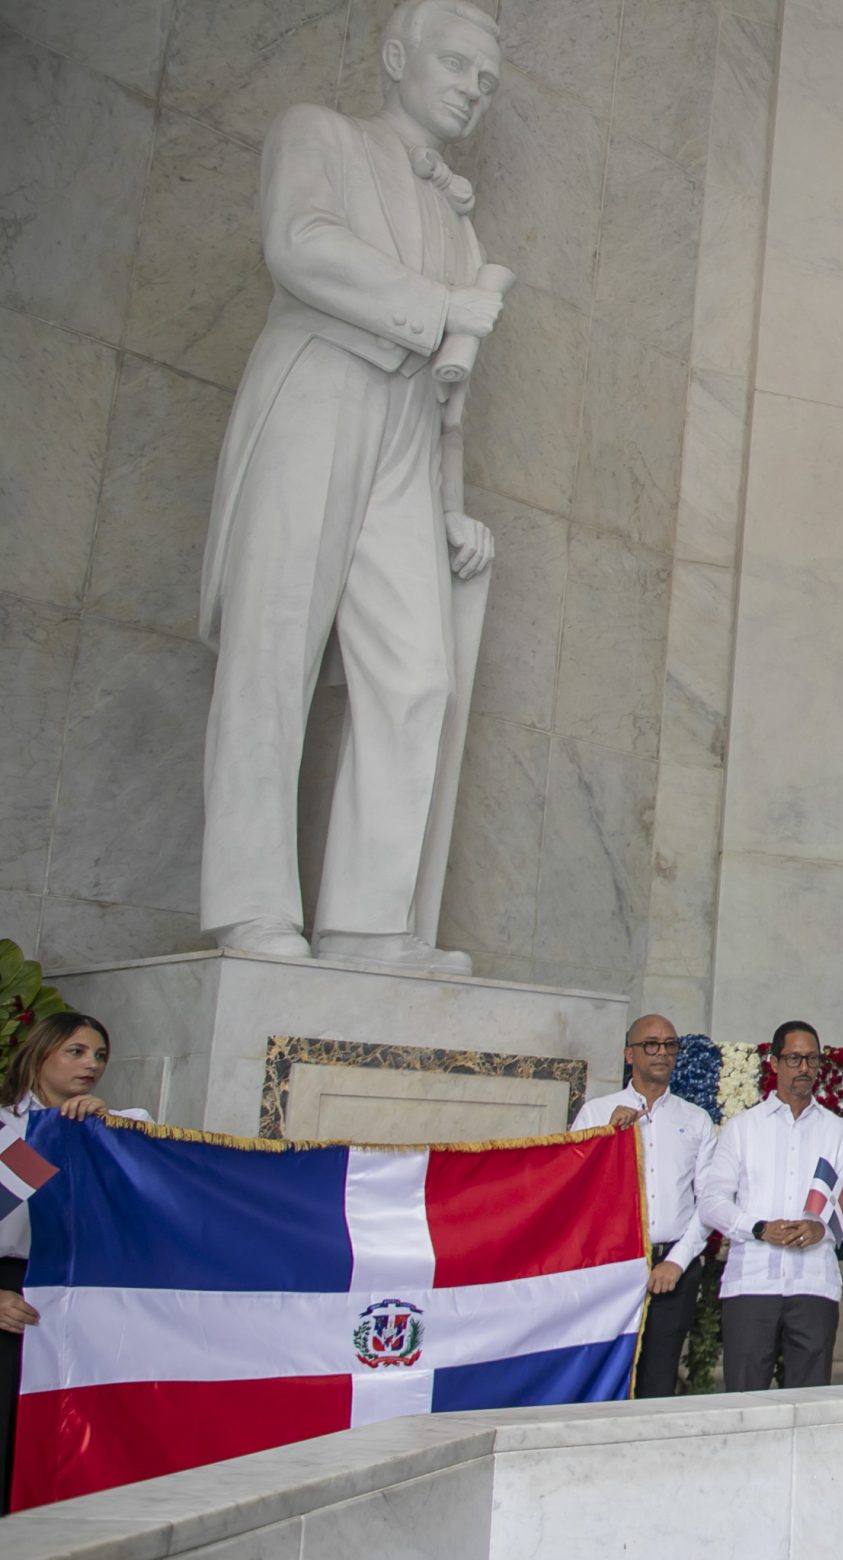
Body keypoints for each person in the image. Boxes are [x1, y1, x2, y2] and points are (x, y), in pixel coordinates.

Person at [196, 0, 510, 969]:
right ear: (395, 56)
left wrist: (451, 511)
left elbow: (449, 396)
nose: (471, 91)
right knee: (272, 642)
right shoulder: (316, 134)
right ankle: (251, 908)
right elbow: (300, 245)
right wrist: (445, 305)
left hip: (407, 431)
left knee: (417, 672)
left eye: (486, 82)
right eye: (457, 66)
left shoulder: (460, 226)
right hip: (316, 387)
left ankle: (368, 922)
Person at [0, 1014, 147, 1513]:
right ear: (40, 1052)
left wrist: (107, 1135)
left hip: (82, 1293)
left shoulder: (114, 1124)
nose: (92, 1064)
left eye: (100, 1055)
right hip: (12, 1291)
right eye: (77, 1051)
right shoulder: (6, 1128)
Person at [696, 1021, 843, 1391]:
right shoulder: (743, 1128)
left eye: (812, 1059)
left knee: (808, 1402)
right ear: (774, 1062)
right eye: (794, 1058)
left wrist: (824, 1228)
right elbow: (711, 1201)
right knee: (745, 1398)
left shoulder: (834, 1129)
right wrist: (758, 1228)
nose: (804, 1067)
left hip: (814, 1286)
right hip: (752, 1284)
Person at [572, 1014, 715, 1399]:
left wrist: (677, 1261)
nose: (662, 1052)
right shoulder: (596, 1113)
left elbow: (709, 1202)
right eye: (651, 1044)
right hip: (612, 1267)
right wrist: (606, 1138)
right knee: (601, 1375)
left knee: (658, 1380)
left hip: (673, 1269)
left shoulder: (696, 1120)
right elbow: (574, 1190)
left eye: (670, 1044)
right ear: (628, 1054)